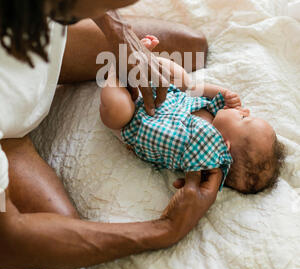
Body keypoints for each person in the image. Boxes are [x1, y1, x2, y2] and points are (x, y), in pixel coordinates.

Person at [0, 0, 222, 269]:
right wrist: (165, 230)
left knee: (190, 46)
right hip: (7, 128)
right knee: (60, 242)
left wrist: (121, 35)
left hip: (31, 33)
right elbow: (8, 240)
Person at [101, 35, 286, 195]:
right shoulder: (214, 113)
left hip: (134, 121)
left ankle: (115, 73)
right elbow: (197, 90)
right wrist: (224, 93)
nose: (245, 111)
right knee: (184, 79)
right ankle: (145, 60)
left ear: (224, 144)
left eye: (244, 118)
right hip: (163, 93)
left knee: (117, 111)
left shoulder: (205, 152)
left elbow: (199, 178)